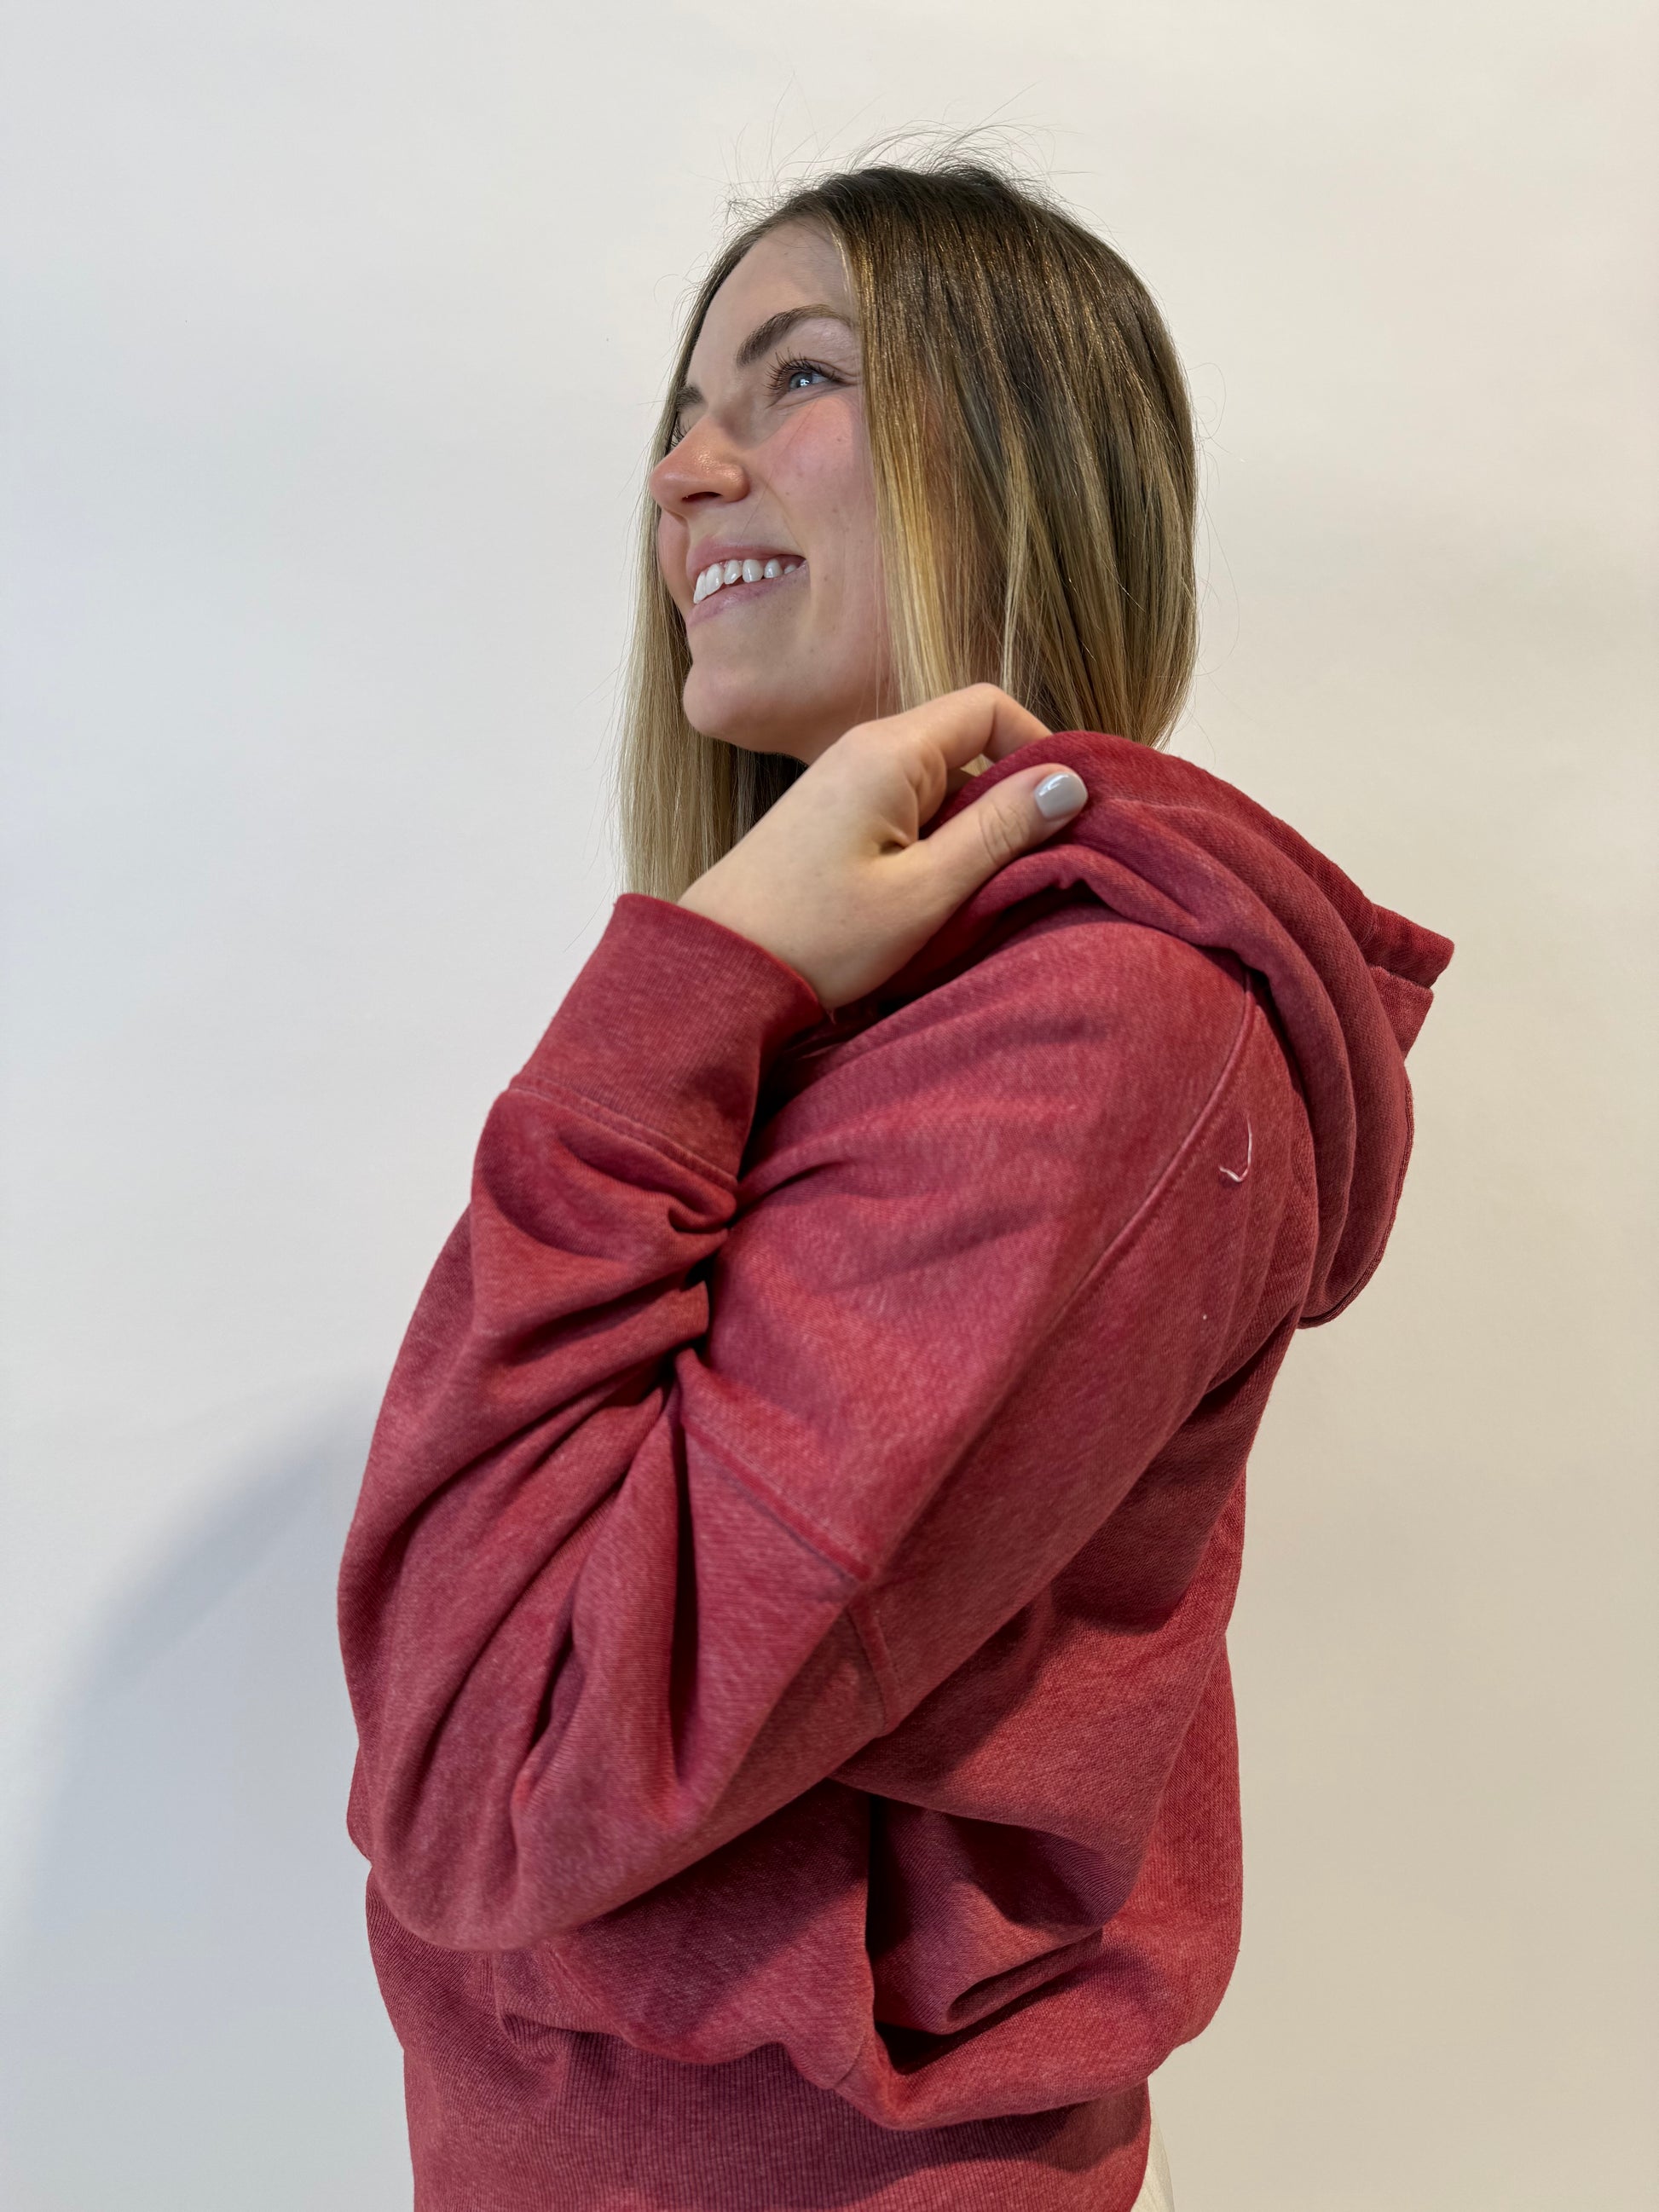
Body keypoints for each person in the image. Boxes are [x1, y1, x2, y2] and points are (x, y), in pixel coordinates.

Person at [336, 155, 1454, 2212]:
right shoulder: (844, 1007)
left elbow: (496, 1776)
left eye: (796, 379)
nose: (687, 470)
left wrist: (674, 992)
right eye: (686, 412)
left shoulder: (1096, 1026)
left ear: (1021, 454)